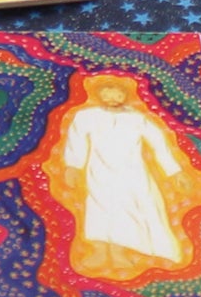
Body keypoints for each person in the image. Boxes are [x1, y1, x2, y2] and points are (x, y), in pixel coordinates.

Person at [56, 75, 187, 265]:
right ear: (98, 94)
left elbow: (159, 144)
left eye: (117, 94)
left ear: (125, 95)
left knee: (130, 209)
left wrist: (174, 172)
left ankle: (121, 253)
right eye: (106, 94)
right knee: (99, 207)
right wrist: (73, 167)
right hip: (99, 172)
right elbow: (76, 141)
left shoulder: (137, 118)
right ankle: (100, 252)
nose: (112, 98)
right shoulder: (86, 116)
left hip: (133, 173)